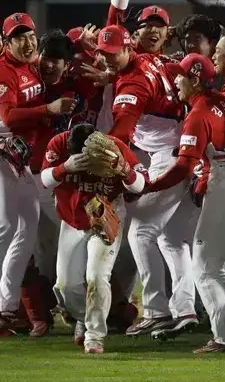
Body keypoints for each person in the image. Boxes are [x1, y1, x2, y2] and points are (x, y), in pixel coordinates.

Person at [146, 53, 225, 353]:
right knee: (220, 265)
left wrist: (150, 186)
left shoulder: (197, 114)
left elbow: (182, 168)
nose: (175, 80)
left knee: (204, 268)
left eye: (180, 75)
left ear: (194, 80)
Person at [96, 24, 196, 336]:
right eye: (106, 54)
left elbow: (122, 135)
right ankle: (185, 309)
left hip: (171, 156)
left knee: (140, 232)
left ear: (129, 48)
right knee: (173, 239)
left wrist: (103, 164)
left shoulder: (133, 84)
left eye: (115, 54)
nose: (111, 59)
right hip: (180, 147)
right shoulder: (147, 60)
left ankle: (156, 310)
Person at [0, 13, 76, 335]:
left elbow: (57, 59)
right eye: (19, 37)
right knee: (3, 223)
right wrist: (47, 111)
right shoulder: (2, 70)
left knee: (27, 224)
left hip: (16, 156)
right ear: (7, 42)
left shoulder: (32, 66)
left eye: (30, 36)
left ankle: (8, 305)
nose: (27, 42)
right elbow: (7, 117)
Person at [40, 123, 147, 354]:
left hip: (105, 219)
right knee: (65, 285)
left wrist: (125, 170)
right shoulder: (59, 143)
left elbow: (140, 185)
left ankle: (95, 336)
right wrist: (64, 167)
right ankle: (82, 317)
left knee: (97, 277)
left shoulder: (114, 147)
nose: (78, 157)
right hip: (71, 221)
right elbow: (45, 180)